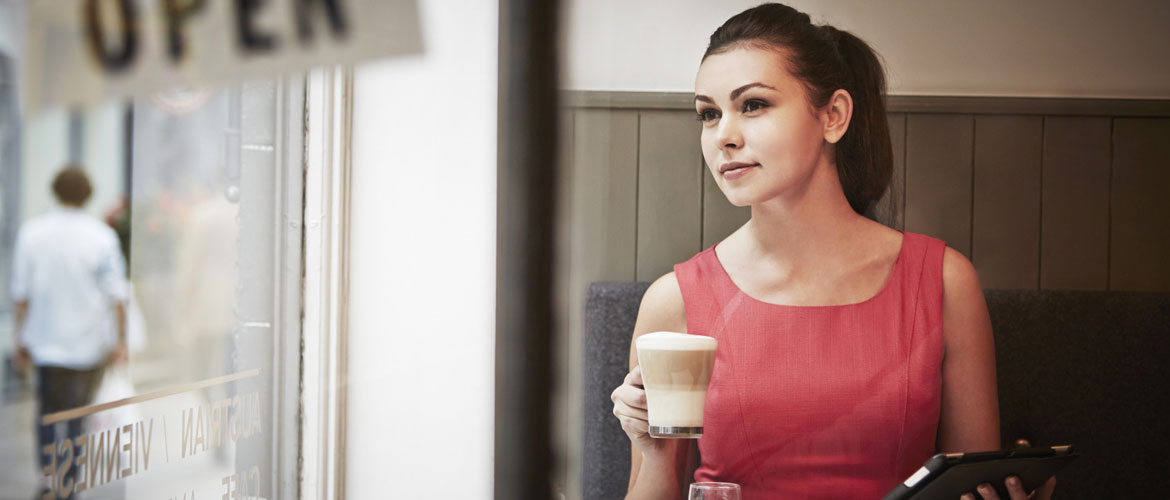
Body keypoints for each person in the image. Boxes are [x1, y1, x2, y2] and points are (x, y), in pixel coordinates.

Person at [609, 4, 1057, 500]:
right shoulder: (673, 302)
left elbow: (973, 486)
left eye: (753, 105)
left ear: (834, 115)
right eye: (709, 114)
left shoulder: (945, 282)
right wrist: (651, 452)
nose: (724, 137)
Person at [11, 166, 128, 499]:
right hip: (87, 343)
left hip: (45, 340)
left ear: (55, 190)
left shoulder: (32, 233)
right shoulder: (101, 236)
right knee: (78, 414)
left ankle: (48, 476)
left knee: (47, 410)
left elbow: (22, 294)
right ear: (88, 193)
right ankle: (70, 477)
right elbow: (116, 295)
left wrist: (18, 338)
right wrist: (120, 341)